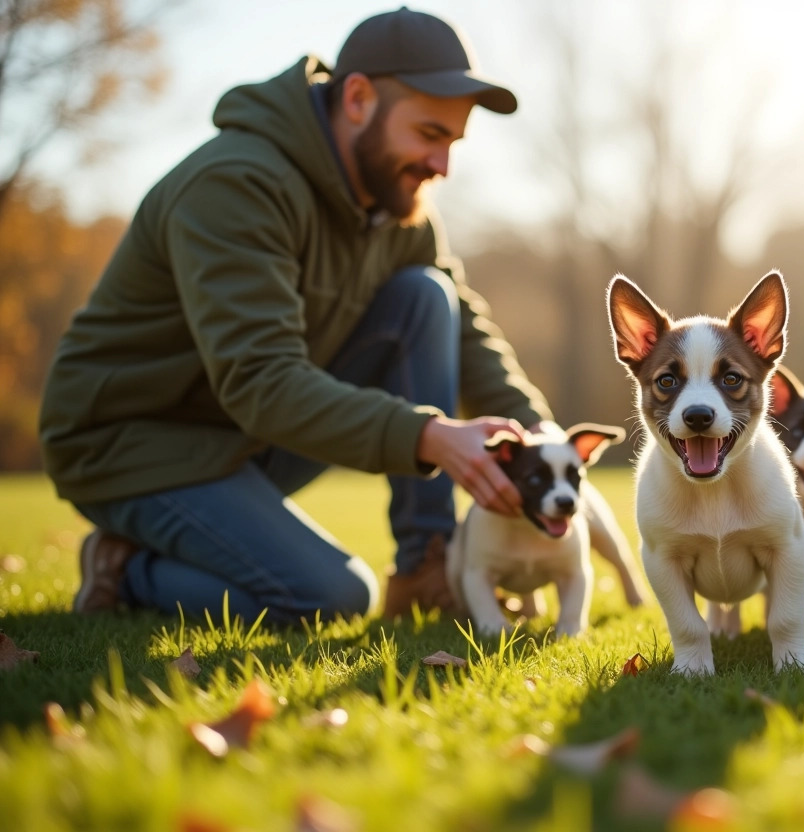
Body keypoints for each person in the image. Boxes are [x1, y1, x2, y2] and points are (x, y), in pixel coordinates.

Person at [38, 6, 554, 625]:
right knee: (330, 598)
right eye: (428, 134)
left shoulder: (396, 203)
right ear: (358, 99)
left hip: (240, 432)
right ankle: (126, 568)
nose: (441, 165)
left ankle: (428, 565)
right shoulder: (237, 184)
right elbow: (259, 379)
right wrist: (428, 436)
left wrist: (542, 439)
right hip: (129, 443)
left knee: (424, 296)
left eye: (452, 142)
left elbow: (463, 329)